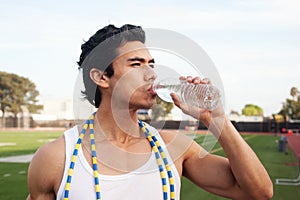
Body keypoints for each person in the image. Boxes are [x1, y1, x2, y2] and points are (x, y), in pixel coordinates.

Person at [27, 24, 273, 200]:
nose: (152, 74)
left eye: (151, 64)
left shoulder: (173, 148)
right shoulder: (57, 157)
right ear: (101, 77)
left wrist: (216, 120)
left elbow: (259, 192)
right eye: (136, 64)